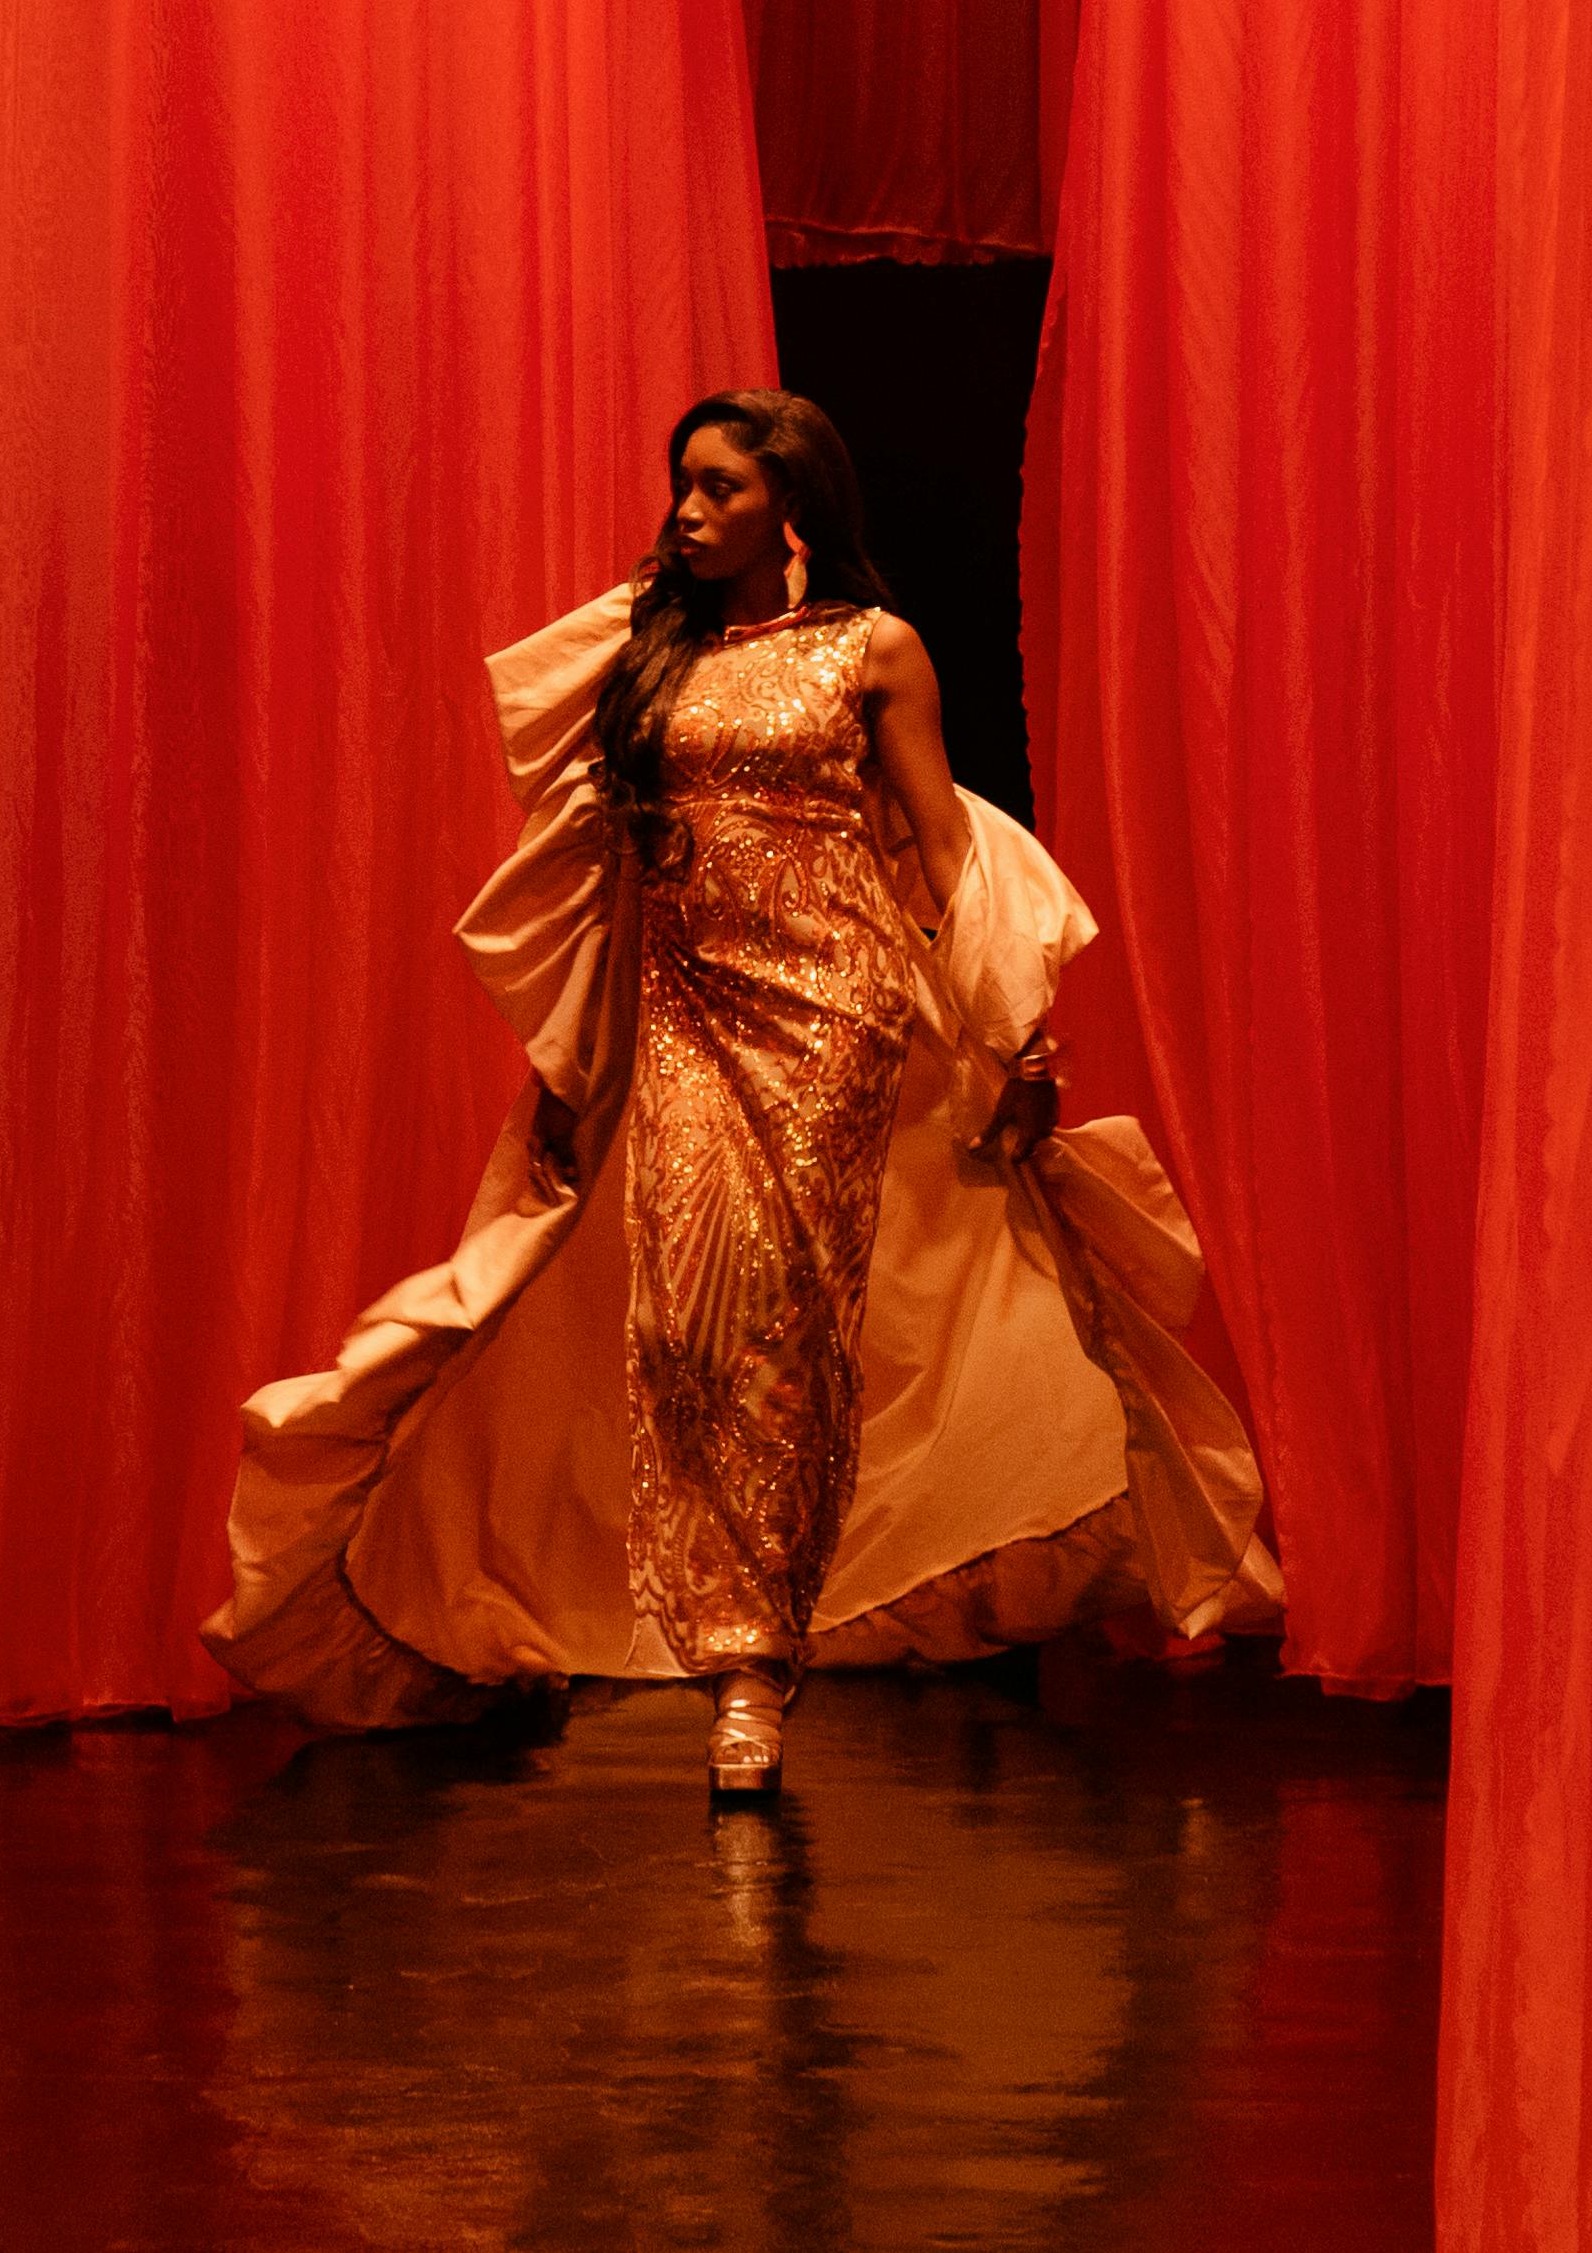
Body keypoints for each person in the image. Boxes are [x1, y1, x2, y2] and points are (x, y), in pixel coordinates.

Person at [203, 391, 1277, 1796]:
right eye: (682, 489)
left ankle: (752, 1671)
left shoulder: (870, 649)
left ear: (794, 505)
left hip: (840, 1019)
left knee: (786, 1324)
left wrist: (1022, 1038)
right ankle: (730, 1636)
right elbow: (606, 882)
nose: (690, 513)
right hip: (685, 1023)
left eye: (720, 489)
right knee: (692, 1325)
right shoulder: (660, 662)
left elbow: (946, 844)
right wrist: (564, 1072)